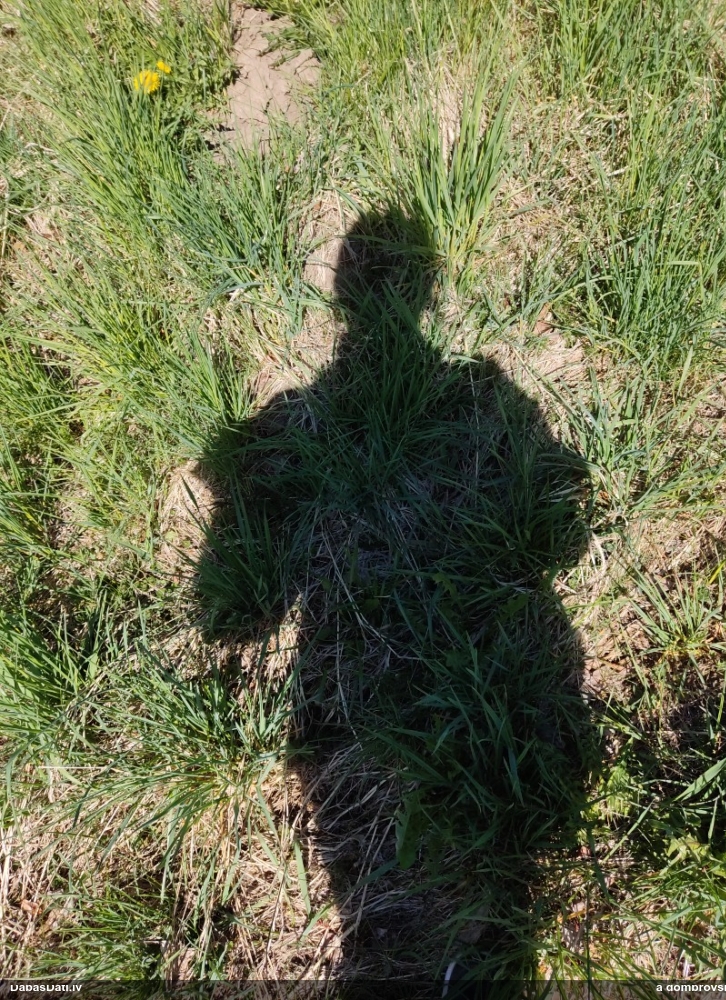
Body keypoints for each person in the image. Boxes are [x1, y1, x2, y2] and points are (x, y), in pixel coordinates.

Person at [197, 209, 595, 990]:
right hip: (469, 699)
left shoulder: (298, 412)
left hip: (372, 694)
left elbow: (233, 616)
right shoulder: (482, 389)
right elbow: (564, 527)